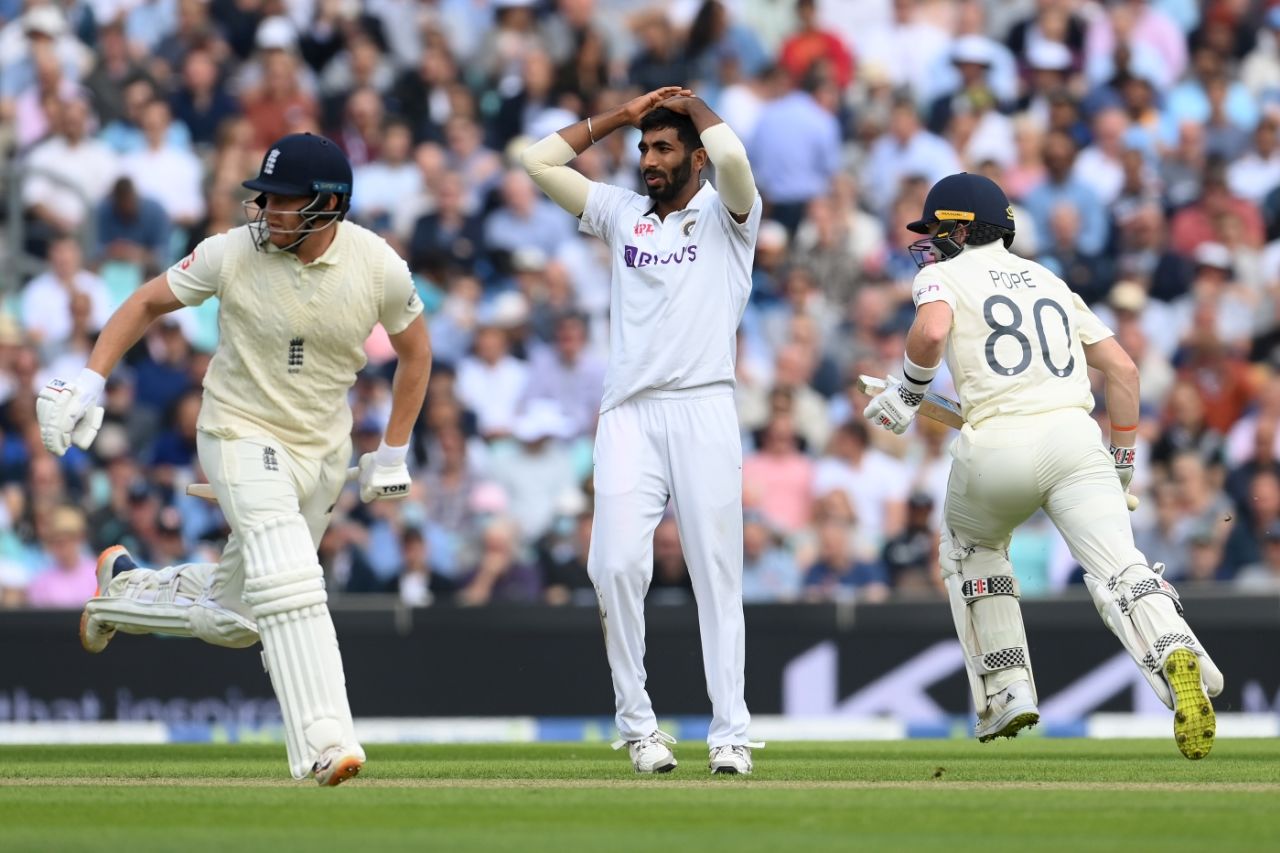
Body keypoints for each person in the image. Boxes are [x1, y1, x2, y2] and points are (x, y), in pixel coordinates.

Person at [35, 133, 432, 786]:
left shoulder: (378, 265)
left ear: (327, 205)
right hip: (238, 431)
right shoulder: (230, 252)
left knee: (241, 617)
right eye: (265, 198)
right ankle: (323, 742)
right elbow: (146, 302)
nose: (268, 211)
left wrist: (392, 448)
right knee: (292, 578)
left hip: (322, 452)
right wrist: (89, 380)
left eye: (283, 201)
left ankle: (121, 592)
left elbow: (416, 353)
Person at [864, 172, 1223, 759]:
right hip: (1076, 440)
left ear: (959, 229)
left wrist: (907, 392)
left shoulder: (940, 276)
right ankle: (1174, 647)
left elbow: (930, 333)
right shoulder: (1051, 280)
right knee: (1122, 569)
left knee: (969, 548)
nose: (927, 242)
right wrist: (1123, 465)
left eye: (935, 229)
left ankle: (1008, 687)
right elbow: (1125, 373)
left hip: (998, 447)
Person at [521, 87, 762, 774]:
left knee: (717, 575)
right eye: (643, 149)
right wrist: (620, 116)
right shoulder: (624, 213)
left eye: (663, 147)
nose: (648, 159)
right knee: (614, 566)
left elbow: (735, 156)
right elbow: (538, 162)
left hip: (704, 405)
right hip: (628, 411)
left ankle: (731, 734)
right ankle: (639, 726)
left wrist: (698, 105)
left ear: (693, 154)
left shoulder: (729, 214)